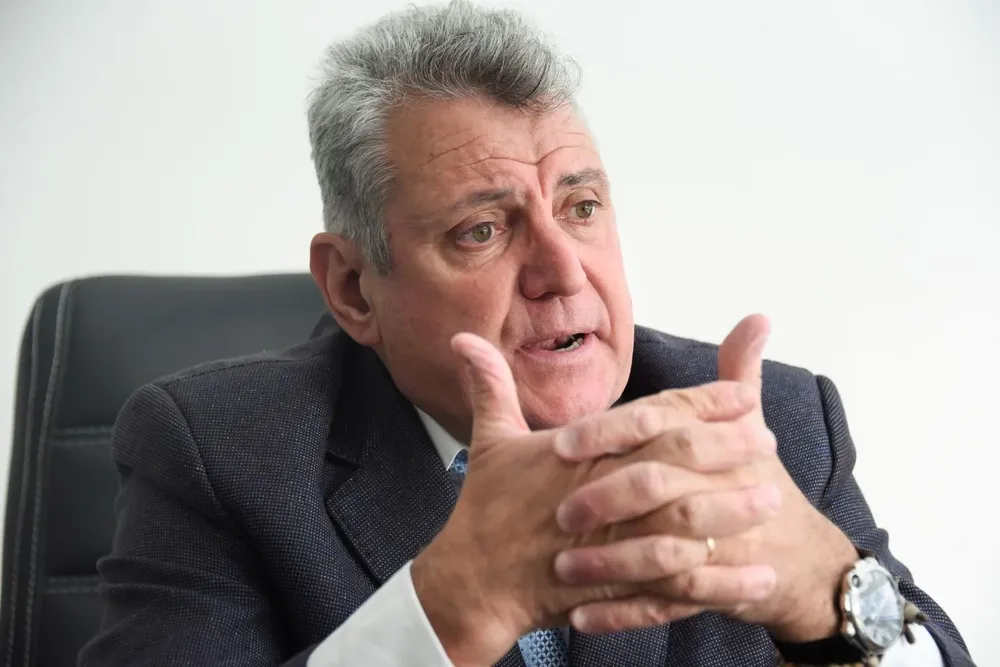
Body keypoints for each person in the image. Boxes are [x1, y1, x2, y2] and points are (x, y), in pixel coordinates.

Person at [79, 2, 974, 666]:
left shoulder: (767, 424)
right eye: (483, 229)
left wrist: (830, 593)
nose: (564, 271)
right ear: (354, 287)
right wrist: (449, 608)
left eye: (580, 207)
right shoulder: (219, 455)